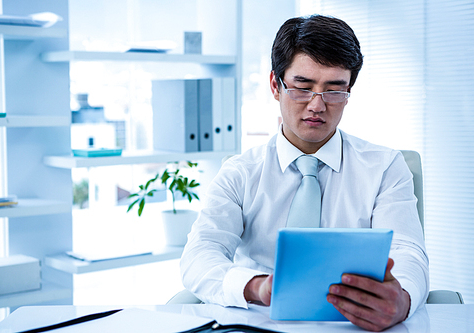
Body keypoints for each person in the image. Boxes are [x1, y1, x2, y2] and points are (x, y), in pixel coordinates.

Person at [180, 14, 429, 332]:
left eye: (334, 91)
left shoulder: (385, 168)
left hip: (351, 326)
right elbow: (201, 252)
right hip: (256, 321)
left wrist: (402, 300)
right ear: (275, 85)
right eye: (302, 87)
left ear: (348, 91)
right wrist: (256, 287)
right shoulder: (240, 174)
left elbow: (408, 252)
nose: (317, 105)